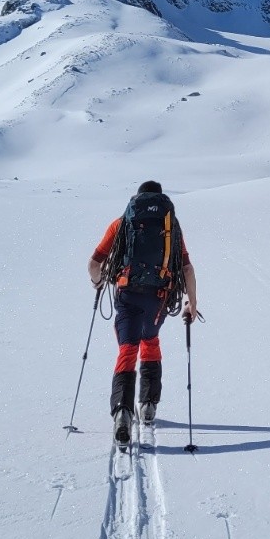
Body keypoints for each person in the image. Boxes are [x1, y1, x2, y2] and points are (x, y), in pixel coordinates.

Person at [87, 180, 200, 443]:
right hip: (158, 299)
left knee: (127, 349)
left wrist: (98, 282)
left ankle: (122, 413)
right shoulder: (172, 227)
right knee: (150, 341)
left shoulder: (120, 223)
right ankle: (148, 405)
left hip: (127, 295)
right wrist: (192, 303)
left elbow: (94, 264)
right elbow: (187, 269)